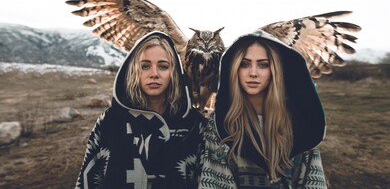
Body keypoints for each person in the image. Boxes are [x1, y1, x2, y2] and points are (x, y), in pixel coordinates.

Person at [196, 29, 327, 188]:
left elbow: (314, 182)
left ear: (275, 70)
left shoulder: (302, 125)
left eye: (263, 65)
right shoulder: (219, 125)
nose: (253, 73)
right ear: (234, 69)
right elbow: (214, 182)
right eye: (244, 64)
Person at [75, 31, 204, 189]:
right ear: (134, 70)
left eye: (163, 66)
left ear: (174, 72)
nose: (154, 74)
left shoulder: (194, 124)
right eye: (145, 66)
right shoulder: (111, 121)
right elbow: (88, 180)